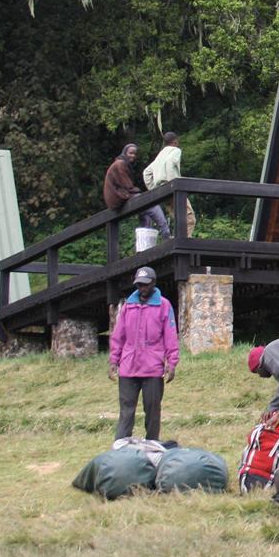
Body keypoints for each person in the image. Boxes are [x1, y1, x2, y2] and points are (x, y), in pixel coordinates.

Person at [107, 265, 178, 440]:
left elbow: (170, 336)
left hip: (152, 368)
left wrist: (172, 363)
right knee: (126, 411)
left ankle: (152, 444)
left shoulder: (164, 305)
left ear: (153, 283)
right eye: (139, 284)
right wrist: (113, 361)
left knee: (152, 410)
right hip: (128, 367)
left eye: (146, 284)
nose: (142, 288)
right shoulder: (128, 306)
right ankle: (121, 446)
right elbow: (118, 335)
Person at [102, 143, 166, 237]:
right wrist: (139, 192)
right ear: (125, 153)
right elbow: (127, 185)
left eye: (134, 154)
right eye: (130, 153)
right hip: (117, 198)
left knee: (145, 211)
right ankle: (165, 231)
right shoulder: (120, 164)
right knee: (151, 203)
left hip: (120, 196)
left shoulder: (122, 163)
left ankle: (145, 239)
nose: (133, 156)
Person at [143, 130, 195, 236]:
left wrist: (153, 188)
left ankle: (178, 239)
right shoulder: (175, 150)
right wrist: (173, 184)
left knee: (179, 219)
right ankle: (185, 242)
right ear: (175, 141)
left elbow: (146, 172)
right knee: (189, 219)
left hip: (162, 191)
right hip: (172, 188)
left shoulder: (160, 154)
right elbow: (170, 163)